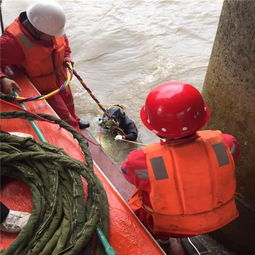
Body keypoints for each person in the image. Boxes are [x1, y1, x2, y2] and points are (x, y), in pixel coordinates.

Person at [121, 81, 240, 252]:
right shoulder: (227, 143)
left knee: (140, 201)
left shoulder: (141, 160)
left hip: (169, 226)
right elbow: (231, 158)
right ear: (202, 118)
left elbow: (128, 173)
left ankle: (162, 242)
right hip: (220, 216)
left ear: (152, 126)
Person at [0, 1, 89, 131]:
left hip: (61, 80)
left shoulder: (52, 28)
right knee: (62, 115)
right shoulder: (12, 43)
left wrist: (67, 56)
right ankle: (75, 135)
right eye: (51, 35)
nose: (55, 37)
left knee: (69, 104)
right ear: (37, 31)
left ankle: (75, 120)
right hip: (44, 89)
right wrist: (3, 78)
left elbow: (64, 43)